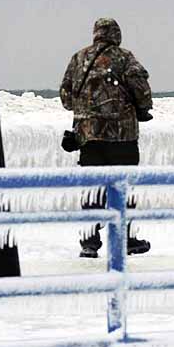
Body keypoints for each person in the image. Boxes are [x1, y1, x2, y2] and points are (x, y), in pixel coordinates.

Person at [60, 17, 154, 258]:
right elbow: (140, 87)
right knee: (123, 189)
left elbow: (65, 96)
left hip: (89, 138)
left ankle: (89, 243)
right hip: (122, 137)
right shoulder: (124, 57)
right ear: (116, 34)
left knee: (92, 190)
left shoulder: (78, 58)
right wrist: (143, 108)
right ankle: (126, 239)